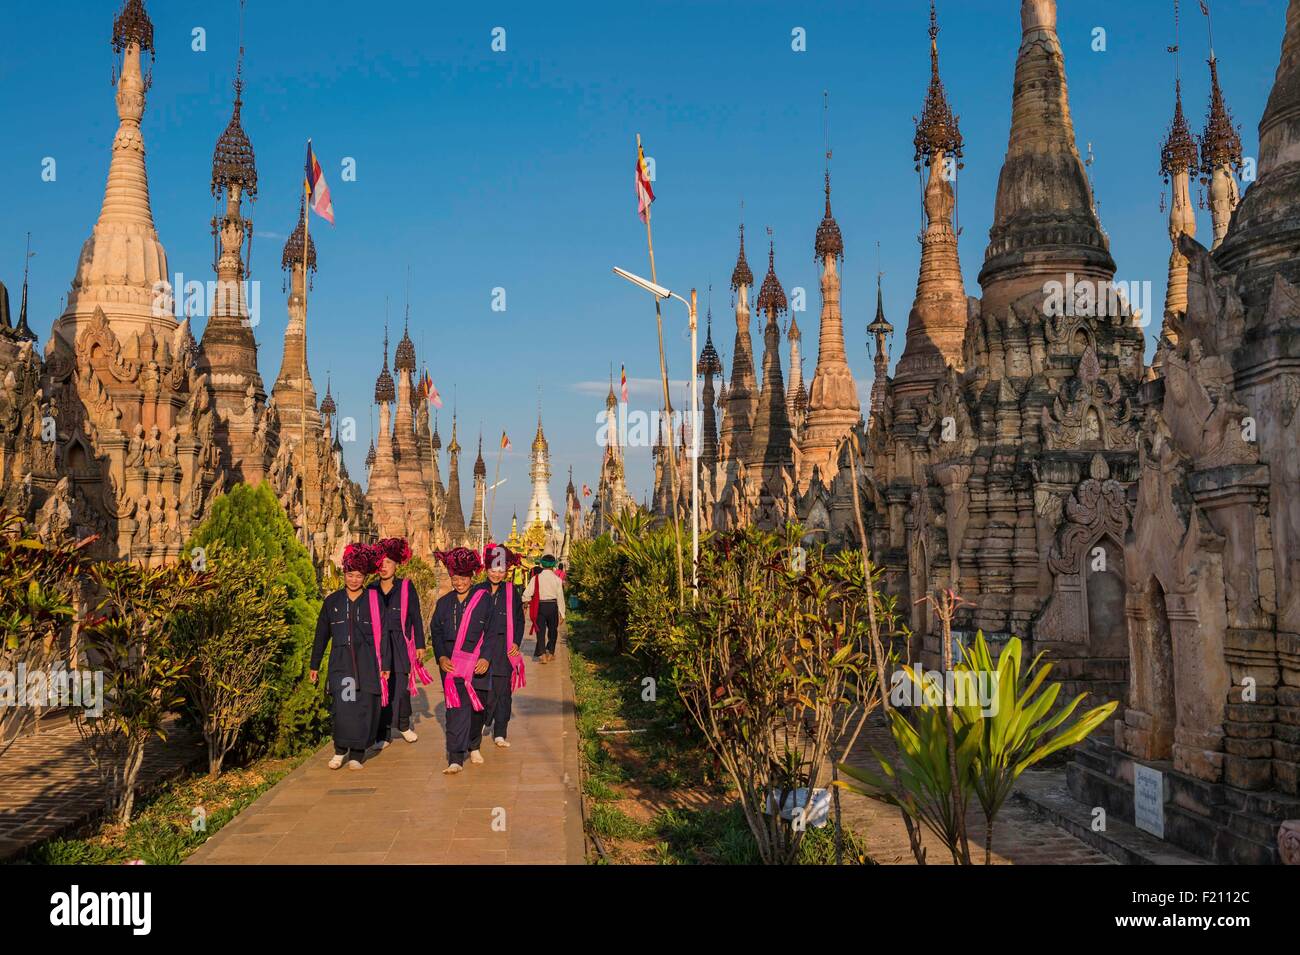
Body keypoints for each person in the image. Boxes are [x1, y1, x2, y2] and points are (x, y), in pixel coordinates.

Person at [310, 543, 385, 771]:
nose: (354, 580)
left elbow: (385, 636)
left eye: (359, 576)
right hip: (342, 665)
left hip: (367, 663)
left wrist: (386, 665)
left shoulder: (374, 600)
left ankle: (358, 753)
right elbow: (321, 636)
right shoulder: (332, 602)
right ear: (344, 574)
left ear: (365, 577)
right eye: (350, 575)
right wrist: (314, 665)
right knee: (344, 707)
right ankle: (340, 750)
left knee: (364, 707)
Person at [430, 547, 494, 774]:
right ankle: (455, 757)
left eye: (463, 578)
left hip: (477, 663)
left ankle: (474, 744)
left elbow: (492, 630)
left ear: (471, 577)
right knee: (455, 709)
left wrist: (486, 657)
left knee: (478, 708)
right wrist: (441, 656)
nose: (459, 583)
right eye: (455, 578)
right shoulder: (444, 603)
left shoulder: (483, 600)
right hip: (452, 663)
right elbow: (435, 631)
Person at [371, 537, 431, 749]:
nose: (384, 567)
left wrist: (421, 645)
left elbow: (415, 616)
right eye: (380, 562)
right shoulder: (371, 590)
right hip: (378, 645)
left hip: (401, 642)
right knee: (381, 687)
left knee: (401, 687)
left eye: (388, 562)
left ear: (397, 564)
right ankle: (383, 733)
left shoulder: (406, 587)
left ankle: (404, 725)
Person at [474, 543, 525, 748]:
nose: (496, 575)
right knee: (482, 689)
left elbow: (520, 620)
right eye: (493, 570)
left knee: (503, 692)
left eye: (501, 571)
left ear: (506, 572)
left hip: (504, 647)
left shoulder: (512, 592)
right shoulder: (477, 591)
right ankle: (481, 721)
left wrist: (516, 642)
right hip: (482, 648)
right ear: (486, 570)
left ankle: (500, 731)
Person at [524, 553, 566, 663]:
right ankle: (551, 653)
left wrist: (526, 602)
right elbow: (560, 597)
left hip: (540, 606)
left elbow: (527, 594)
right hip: (552, 606)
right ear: (553, 565)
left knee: (540, 631)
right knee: (553, 631)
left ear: (542, 565)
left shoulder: (536, 578)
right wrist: (562, 613)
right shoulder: (557, 580)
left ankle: (542, 655)